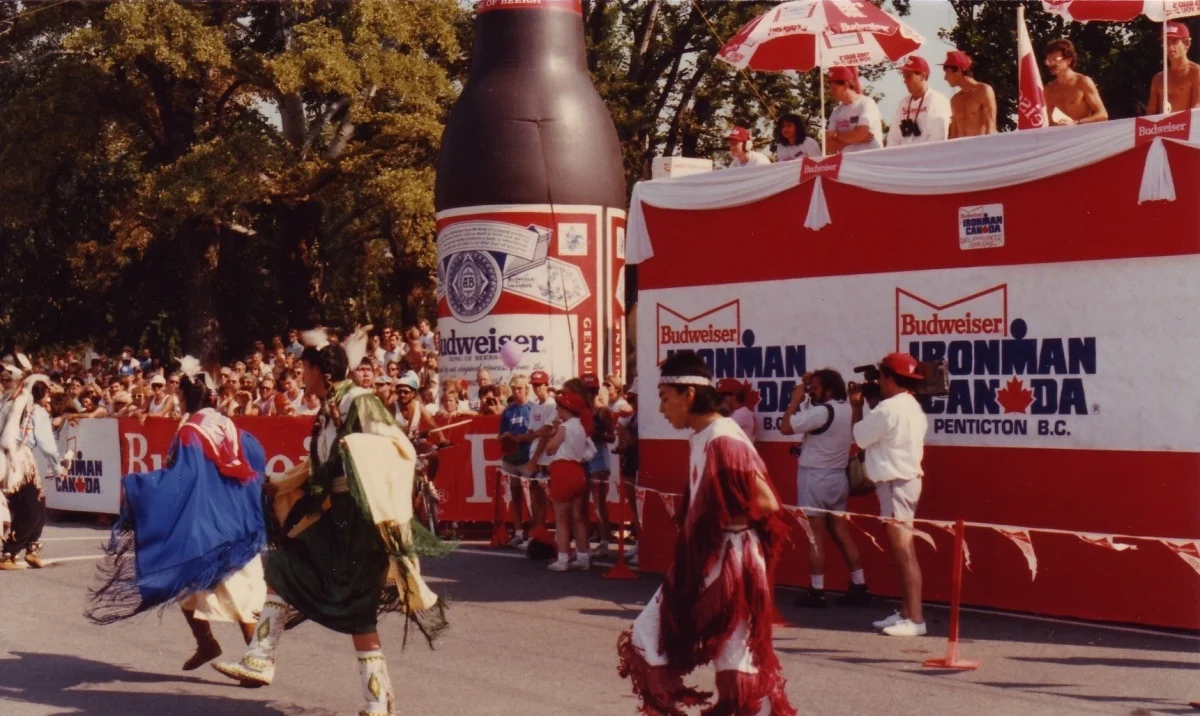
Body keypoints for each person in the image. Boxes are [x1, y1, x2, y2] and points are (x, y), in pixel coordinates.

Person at [213, 333, 449, 716]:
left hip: (359, 518)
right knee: (292, 572)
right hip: (335, 515)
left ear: (322, 371)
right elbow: (316, 466)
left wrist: (354, 447)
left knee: (337, 599)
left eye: (305, 369)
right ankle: (369, 699)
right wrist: (283, 484)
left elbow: (395, 447)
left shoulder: (361, 401)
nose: (301, 376)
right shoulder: (328, 409)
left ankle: (368, 699)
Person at [618, 351, 794, 715]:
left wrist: (718, 522)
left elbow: (768, 502)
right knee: (649, 637)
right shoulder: (703, 436)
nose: (662, 409)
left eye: (666, 399)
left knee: (736, 665)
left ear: (690, 395)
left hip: (732, 563)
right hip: (709, 559)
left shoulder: (723, 438)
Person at [87, 361, 268, 672]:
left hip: (210, 525)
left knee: (227, 589)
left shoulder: (190, 431)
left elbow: (181, 478)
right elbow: (256, 458)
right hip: (235, 520)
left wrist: (140, 487)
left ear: (185, 396)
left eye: (179, 393)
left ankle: (259, 658)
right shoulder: (226, 424)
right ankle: (207, 643)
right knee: (191, 587)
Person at [849, 353, 929, 637]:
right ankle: (907, 613)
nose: (878, 382)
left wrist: (857, 407)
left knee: (904, 552)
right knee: (901, 552)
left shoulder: (888, 409)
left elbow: (858, 436)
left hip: (896, 482)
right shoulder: (910, 406)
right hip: (899, 481)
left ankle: (916, 619)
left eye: (882, 377)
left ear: (891, 379)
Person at [780, 369, 869, 608]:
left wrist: (794, 401)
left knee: (815, 536)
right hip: (837, 478)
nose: (811, 391)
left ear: (828, 388)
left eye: (815, 387)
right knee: (841, 533)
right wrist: (807, 386)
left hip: (814, 478)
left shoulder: (821, 412)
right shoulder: (845, 409)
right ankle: (859, 584)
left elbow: (786, 427)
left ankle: (817, 591)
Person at [0, 376, 63, 570]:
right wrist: (58, 467)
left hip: (7, 460)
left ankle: (32, 549)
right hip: (20, 462)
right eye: (48, 394)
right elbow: (48, 445)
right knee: (33, 510)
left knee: (36, 506)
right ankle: (8, 553)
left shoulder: (9, 406)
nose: (50, 399)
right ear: (42, 392)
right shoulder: (37, 411)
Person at [543, 390, 596, 571]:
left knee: (561, 519)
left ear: (565, 408)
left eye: (559, 406)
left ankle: (563, 559)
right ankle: (583, 557)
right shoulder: (580, 427)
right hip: (577, 470)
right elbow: (591, 451)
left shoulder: (565, 427)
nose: (557, 409)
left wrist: (554, 434)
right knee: (578, 517)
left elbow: (550, 448)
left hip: (563, 470)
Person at [519, 370, 556, 550]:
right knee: (536, 497)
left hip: (547, 459)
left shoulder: (553, 405)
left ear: (546, 385)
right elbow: (532, 433)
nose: (537, 388)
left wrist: (534, 459)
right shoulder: (534, 407)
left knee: (553, 499)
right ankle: (538, 535)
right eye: (534, 385)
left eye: (539, 385)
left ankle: (559, 538)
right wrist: (516, 438)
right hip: (535, 455)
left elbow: (545, 434)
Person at [498, 375, 535, 547]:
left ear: (526, 389)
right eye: (514, 389)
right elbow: (500, 434)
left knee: (530, 497)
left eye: (519, 389)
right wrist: (505, 436)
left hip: (527, 457)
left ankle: (534, 532)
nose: (516, 392)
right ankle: (519, 532)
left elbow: (537, 433)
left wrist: (522, 438)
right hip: (511, 458)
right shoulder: (507, 411)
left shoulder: (532, 409)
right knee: (514, 494)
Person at [886, 55, 951, 147]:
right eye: (904, 77)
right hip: (904, 157)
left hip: (925, 157)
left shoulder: (937, 100)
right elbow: (893, 138)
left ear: (922, 76)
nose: (905, 81)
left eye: (908, 77)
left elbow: (937, 138)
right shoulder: (903, 103)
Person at [1044, 38, 1108, 126]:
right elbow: (1047, 121)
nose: (1051, 64)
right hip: (1062, 137)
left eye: (1055, 59)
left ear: (1068, 60)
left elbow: (1103, 115)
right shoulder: (1048, 89)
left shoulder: (1082, 82)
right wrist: (1056, 125)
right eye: (1048, 60)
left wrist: (1076, 123)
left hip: (1084, 135)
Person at [825, 65, 883, 153]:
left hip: (870, 161)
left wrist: (836, 135)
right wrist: (854, 139)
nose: (831, 91)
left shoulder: (866, 103)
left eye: (834, 88)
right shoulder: (836, 111)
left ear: (845, 85)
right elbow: (829, 146)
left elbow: (860, 134)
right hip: (848, 163)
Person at [1148, 23, 1200, 114]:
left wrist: (1176, 124)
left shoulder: (1196, 72)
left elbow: (1197, 108)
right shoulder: (1158, 78)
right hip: (1162, 127)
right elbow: (1150, 114)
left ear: (1187, 43)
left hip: (1188, 126)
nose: (1170, 46)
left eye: (1175, 41)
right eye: (1166, 42)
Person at [943, 50, 997, 138]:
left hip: (980, 147)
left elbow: (991, 128)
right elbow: (953, 136)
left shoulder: (984, 91)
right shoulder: (955, 100)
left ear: (959, 70)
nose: (945, 78)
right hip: (960, 149)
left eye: (947, 73)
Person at [716, 378, 756, 442]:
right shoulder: (740, 411)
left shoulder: (741, 413)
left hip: (741, 450)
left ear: (734, 396)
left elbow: (718, 432)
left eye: (723, 396)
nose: (722, 400)